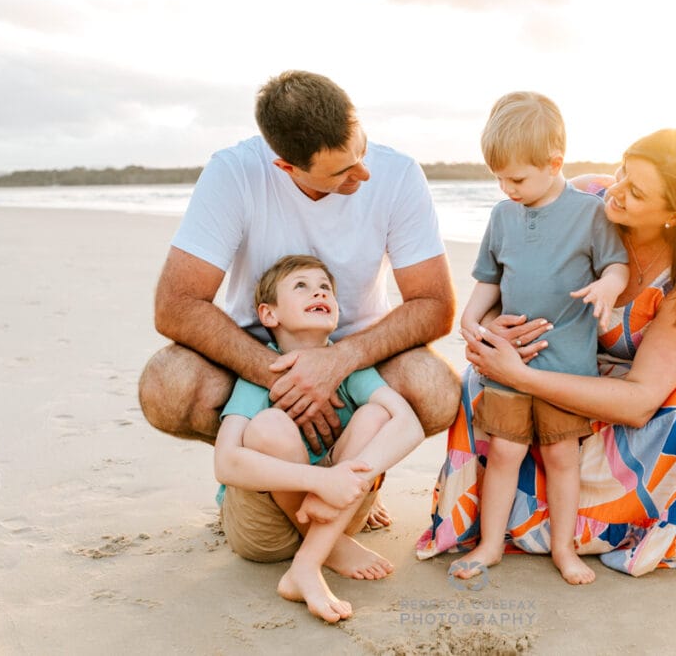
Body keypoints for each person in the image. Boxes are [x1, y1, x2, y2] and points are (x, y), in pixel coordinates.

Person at [138, 70, 460, 529]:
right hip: (264, 355)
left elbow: (433, 304)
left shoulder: (399, 174)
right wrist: (285, 379)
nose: (363, 173)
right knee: (167, 385)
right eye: (342, 171)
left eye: (361, 149)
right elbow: (177, 304)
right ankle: (270, 477)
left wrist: (337, 362)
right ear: (286, 167)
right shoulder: (235, 173)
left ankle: (355, 478)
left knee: (436, 389)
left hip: (359, 355)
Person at [417, 127, 676, 578]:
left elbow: (640, 400)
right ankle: (500, 524)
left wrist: (522, 377)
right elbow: (507, 277)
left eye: (637, 191)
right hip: (554, 351)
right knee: (480, 384)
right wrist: (495, 332)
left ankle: (612, 521)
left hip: (631, 386)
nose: (617, 190)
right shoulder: (582, 198)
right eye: (623, 171)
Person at [450, 92, 628, 585]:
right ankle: (490, 545)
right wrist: (471, 317)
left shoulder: (588, 214)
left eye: (518, 178)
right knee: (503, 453)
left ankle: (564, 550)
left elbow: (617, 262)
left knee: (561, 458)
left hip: (567, 363)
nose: (507, 188)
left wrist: (609, 286)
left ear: (554, 163)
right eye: (499, 178)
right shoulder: (502, 216)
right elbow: (489, 276)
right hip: (509, 358)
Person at [215, 254, 424, 623]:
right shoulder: (263, 368)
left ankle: (309, 562)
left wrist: (350, 480)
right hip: (266, 528)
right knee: (269, 426)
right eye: (301, 286)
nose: (319, 292)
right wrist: (322, 481)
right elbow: (225, 462)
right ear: (269, 314)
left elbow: (410, 425)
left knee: (379, 414)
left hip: (337, 511)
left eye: (325, 287)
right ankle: (329, 549)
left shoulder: (349, 367)